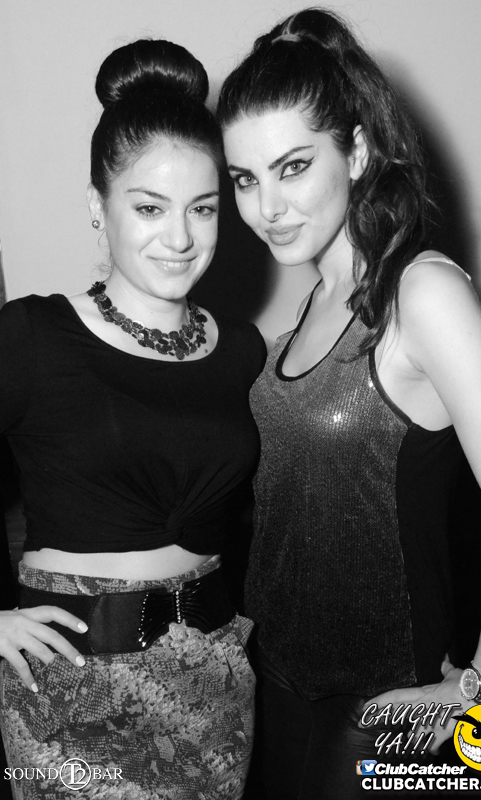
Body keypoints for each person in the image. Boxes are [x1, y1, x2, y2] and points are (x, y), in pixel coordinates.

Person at [218, 8, 481, 799]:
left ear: (355, 151)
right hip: (275, 682)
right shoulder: (305, 312)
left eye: (292, 167)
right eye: (245, 179)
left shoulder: (421, 293)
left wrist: (480, 685)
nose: (266, 206)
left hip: (382, 706)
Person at [0, 38, 265, 800]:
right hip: (69, 689)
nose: (179, 238)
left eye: (202, 209)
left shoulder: (241, 349)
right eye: (149, 208)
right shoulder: (32, 336)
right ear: (98, 206)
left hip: (213, 680)